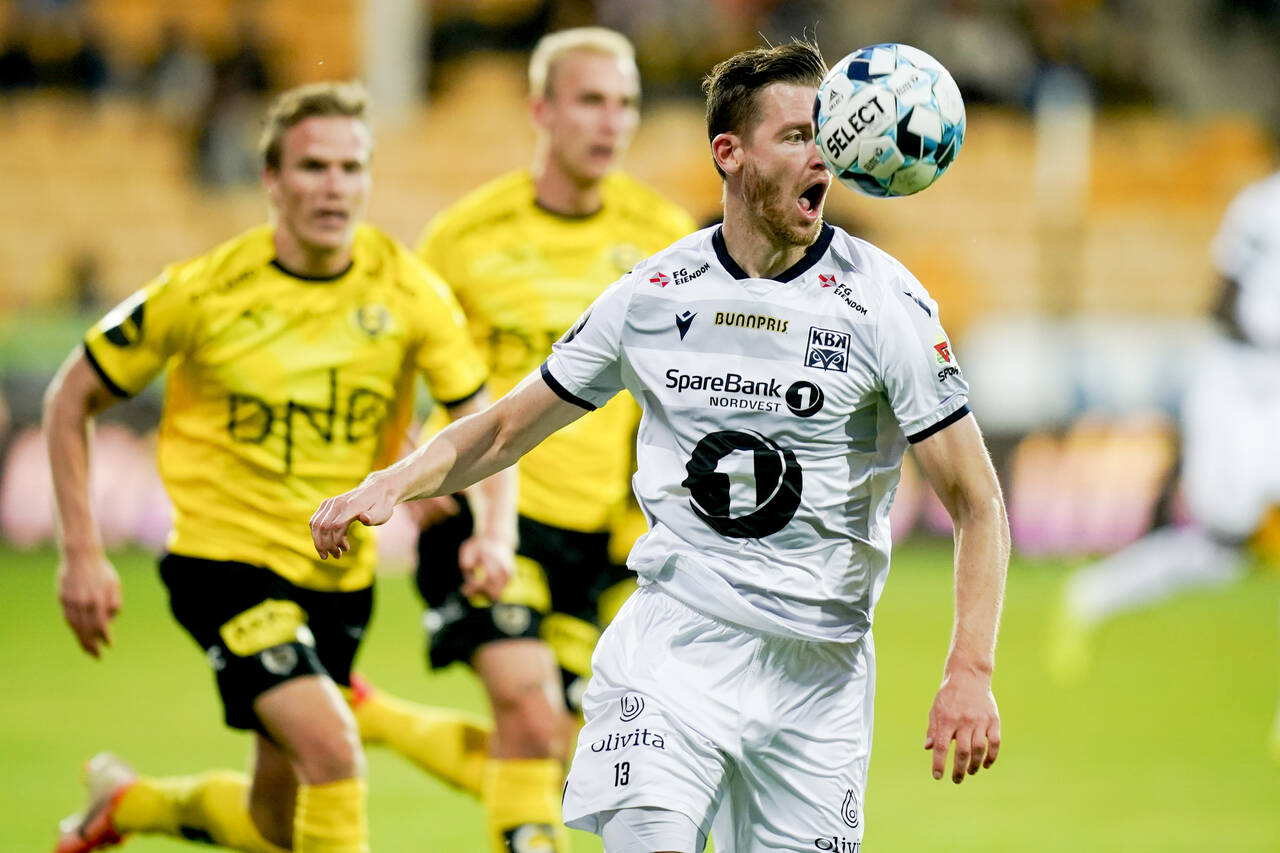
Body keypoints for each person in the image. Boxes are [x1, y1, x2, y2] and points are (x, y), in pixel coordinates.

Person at [313, 39, 1009, 852]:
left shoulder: (889, 305)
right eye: (795, 135)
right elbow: (506, 425)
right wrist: (393, 483)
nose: (825, 153)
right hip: (673, 650)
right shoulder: (653, 293)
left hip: (818, 676)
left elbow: (977, 501)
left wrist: (971, 668)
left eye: (828, 135)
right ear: (730, 153)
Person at [47, 81, 513, 853]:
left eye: (350, 167)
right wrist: (80, 551)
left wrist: (490, 528)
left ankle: (126, 805)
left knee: (278, 824)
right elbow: (71, 396)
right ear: (271, 179)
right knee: (334, 749)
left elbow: (483, 420)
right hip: (223, 561)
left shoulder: (408, 291)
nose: (334, 186)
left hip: (337, 576)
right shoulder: (204, 289)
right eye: (312, 167)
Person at [347, 27, 696, 852]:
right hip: (485, 510)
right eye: (589, 101)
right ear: (541, 109)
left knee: (576, 745)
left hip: (607, 528)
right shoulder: (467, 235)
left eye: (625, 104)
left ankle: (372, 715)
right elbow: (397, 362)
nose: (610, 122)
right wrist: (398, 461)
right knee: (531, 711)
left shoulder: (664, 236)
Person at [1051, 169, 1280, 754]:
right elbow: (1222, 299)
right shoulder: (1260, 204)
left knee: (1226, 554)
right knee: (1223, 547)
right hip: (1241, 384)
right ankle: (1094, 595)